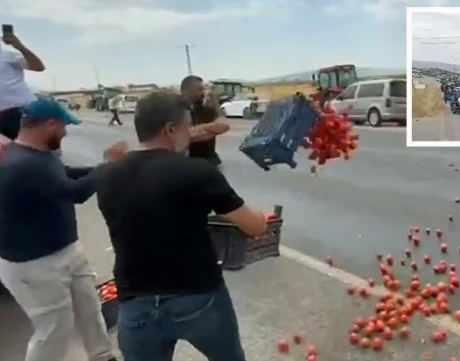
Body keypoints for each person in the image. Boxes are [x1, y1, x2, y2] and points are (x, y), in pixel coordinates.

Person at [96, 91, 267, 361]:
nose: (191, 134)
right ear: (170, 129)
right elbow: (255, 227)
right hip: (197, 297)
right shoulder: (197, 172)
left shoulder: (107, 175)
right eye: (188, 127)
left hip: (135, 302)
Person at [0, 98, 126, 361]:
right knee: (54, 329)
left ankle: (102, 356)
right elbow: (75, 192)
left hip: (66, 248)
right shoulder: (22, 163)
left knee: (90, 310)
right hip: (34, 264)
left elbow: (66, 174)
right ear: (49, 124)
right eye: (63, 126)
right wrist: (108, 166)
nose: (66, 132)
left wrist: (101, 170)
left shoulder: (40, 154)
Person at [0, 31, 45, 153]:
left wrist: (19, 46)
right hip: (2, 118)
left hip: (21, 113)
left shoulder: (8, 56)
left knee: (35, 154)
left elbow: (39, 67)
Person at [180, 75, 229, 166]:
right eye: (199, 89)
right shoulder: (175, 111)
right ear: (185, 91)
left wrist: (194, 130)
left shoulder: (208, 110)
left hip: (210, 162)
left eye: (204, 89)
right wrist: (212, 130)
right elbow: (184, 137)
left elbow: (223, 126)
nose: (203, 93)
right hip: (185, 164)